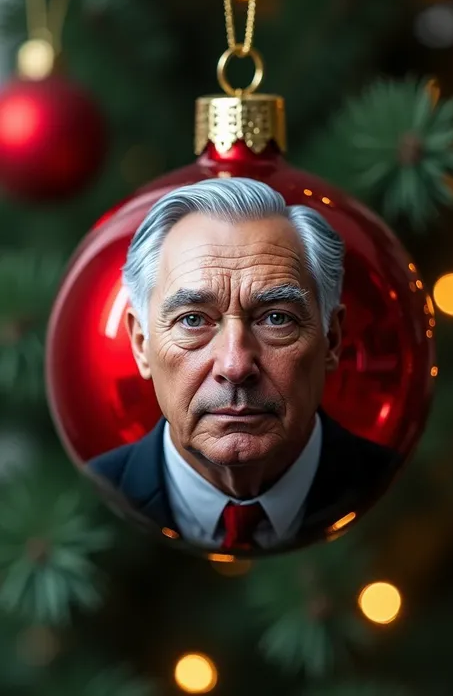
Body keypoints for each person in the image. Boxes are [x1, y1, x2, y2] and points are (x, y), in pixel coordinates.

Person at [87, 177, 402, 554]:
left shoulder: (399, 496)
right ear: (141, 344)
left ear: (331, 339)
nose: (235, 366)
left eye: (276, 319)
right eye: (192, 320)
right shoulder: (93, 503)